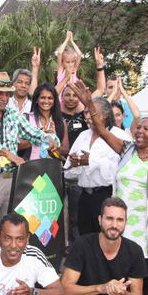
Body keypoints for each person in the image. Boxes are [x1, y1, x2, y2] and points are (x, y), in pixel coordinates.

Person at [68, 80, 148, 295]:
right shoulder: (125, 149)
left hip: (145, 228)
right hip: (119, 224)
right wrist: (89, 102)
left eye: (146, 129)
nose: (141, 131)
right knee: (118, 273)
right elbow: (101, 128)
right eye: (138, 127)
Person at [0, 72, 58, 256]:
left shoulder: (13, 114)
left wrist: (48, 137)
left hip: (14, 180)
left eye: (7, 93)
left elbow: (32, 132)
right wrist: (8, 153)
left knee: (13, 231)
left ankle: (10, 276)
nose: (4, 98)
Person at [64, 97, 129, 236]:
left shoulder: (118, 135)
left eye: (91, 112)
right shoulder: (83, 136)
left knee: (106, 239)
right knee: (86, 240)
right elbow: (67, 171)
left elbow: (123, 170)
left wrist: (93, 161)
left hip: (107, 196)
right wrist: (74, 163)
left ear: (105, 115)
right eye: (86, 112)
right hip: (84, 196)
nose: (87, 116)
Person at [61, 84, 88, 247]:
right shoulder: (56, 116)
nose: (71, 98)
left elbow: (93, 109)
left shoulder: (84, 117)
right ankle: (60, 246)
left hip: (78, 172)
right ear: (62, 98)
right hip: (57, 169)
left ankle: (75, 247)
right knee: (57, 212)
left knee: (76, 215)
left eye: (74, 95)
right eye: (67, 95)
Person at [23, 82, 69, 159]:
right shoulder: (26, 118)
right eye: (43, 97)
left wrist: (52, 139)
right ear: (37, 99)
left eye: (50, 98)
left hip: (52, 167)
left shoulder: (61, 121)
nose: (46, 101)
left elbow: (66, 150)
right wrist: (41, 136)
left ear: (54, 100)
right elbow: (18, 144)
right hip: (31, 167)